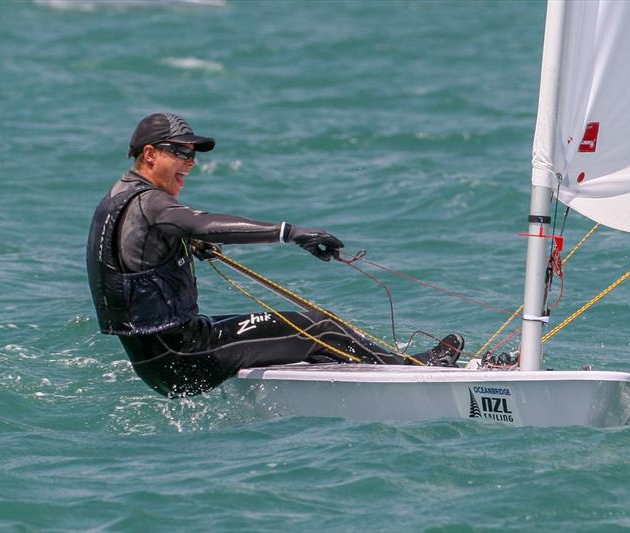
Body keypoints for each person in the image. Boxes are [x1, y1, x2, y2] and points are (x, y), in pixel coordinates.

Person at [86, 112, 464, 397]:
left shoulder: (118, 198)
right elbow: (202, 223)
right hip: (184, 358)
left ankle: (366, 374)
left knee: (299, 327)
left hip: (158, 359)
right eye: (181, 152)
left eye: (193, 153)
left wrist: (179, 245)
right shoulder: (153, 203)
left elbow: (136, 255)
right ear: (149, 154)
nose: (191, 161)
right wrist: (290, 233)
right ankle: (414, 372)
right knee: (316, 327)